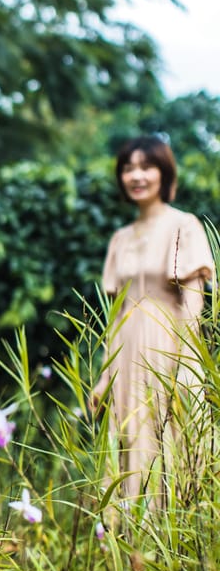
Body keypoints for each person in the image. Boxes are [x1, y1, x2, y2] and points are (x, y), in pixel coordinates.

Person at [94, 135, 213, 505]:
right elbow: (113, 316)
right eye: (128, 169)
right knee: (128, 443)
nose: (137, 176)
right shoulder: (120, 238)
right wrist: (103, 374)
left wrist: (186, 366)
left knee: (171, 446)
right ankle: (130, 547)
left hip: (168, 348)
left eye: (146, 167)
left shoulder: (184, 225)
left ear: (164, 173)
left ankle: (172, 551)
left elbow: (194, 303)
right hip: (125, 354)